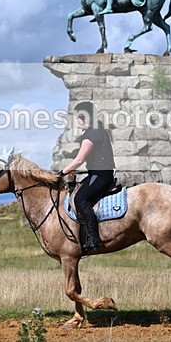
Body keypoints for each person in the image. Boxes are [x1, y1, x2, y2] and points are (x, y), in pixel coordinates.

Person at [60, 101, 116, 254]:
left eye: (78, 118)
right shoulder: (98, 131)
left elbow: (79, 160)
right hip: (97, 174)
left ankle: (94, 239)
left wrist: (62, 172)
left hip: (101, 175)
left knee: (80, 200)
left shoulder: (91, 133)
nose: (77, 122)